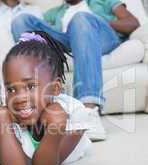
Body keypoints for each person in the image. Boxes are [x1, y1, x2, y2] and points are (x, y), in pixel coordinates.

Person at [11, 0, 140, 141]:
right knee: (21, 20)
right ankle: (45, 110)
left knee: (81, 18)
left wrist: (95, 24)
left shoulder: (104, 2)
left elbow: (132, 23)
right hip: (69, 41)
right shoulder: (55, 13)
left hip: (101, 37)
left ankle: (88, 110)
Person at [0, 31, 93, 165]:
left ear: (56, 88)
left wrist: (56, 127)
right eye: (11, 89)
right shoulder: (11, 115)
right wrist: (2, 124)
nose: (19, 98)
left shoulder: (74, 112)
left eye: (31, 86)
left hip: (64, 155)